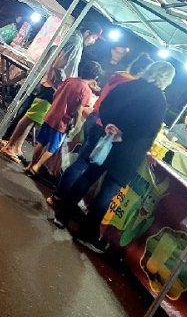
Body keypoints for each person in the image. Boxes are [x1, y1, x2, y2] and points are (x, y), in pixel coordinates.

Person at [62, 61, 176, 253]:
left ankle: (62, 214)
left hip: (107, 141)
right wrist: (123, 134)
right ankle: (86, 233)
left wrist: (109, 125)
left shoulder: (129, 85)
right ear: (167, 80)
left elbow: (106, 105)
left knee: (88, 176)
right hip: (128, 152)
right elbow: (148, 130)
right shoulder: (159, 100)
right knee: (107, 192)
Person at [47, 53, 153, 215]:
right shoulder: (132, 84)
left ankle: (58, 195)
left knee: (81, 161)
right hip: (104, 126)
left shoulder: (118, 75)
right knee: (85, 166)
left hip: (94, 118)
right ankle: (61, 198)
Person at [0, 22, 103, 144]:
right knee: (31, 115)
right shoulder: (75, 42)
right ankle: (9, 142)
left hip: (51, 84)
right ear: (87, 33)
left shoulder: (75, 40)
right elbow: (58, 66)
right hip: (52, 85)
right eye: (94, 38)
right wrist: (60, 85)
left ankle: (14, 144)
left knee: (33, 115)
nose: (93, 42)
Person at [24, 61, 102, 177]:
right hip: (62, 122)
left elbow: (56, 94)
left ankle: (30, 165)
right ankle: (37, 167)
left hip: (51, 115)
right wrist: (75, 123)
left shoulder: (70, 80)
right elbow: (78, 110)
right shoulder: (86, 90)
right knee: (53, 148)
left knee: (41, 142)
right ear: (95, 77)